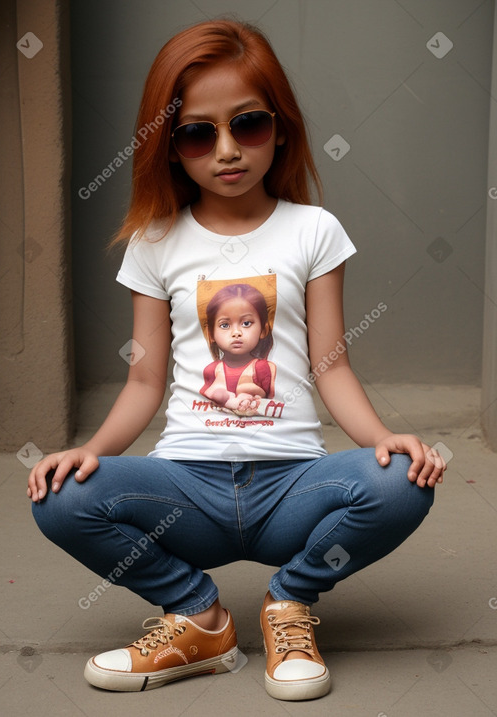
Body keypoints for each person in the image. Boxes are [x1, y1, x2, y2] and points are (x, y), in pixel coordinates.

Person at [27, 18, 445, 702]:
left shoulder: (314, 230)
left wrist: (382, 440)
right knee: (58, 497)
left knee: (407, 479)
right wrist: (92, 448)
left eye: (246, 124)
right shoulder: (155, 241)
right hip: (185, 490)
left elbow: (330, 364)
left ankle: (290, 602)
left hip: (293, 490)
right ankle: (199, 616)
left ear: (280, 128)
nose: (225, 150)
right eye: (197, 133)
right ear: (170, 148)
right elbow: (144, 378)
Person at [199, 282, 276, 416]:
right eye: (225, 325)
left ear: (263, 330)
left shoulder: (262, 368)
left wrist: (249, 392)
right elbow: (208, 394)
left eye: (246, 323)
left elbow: (271, 397)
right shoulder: (213, 369)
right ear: (211, 334)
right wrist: (225, 398)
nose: (236, 333)